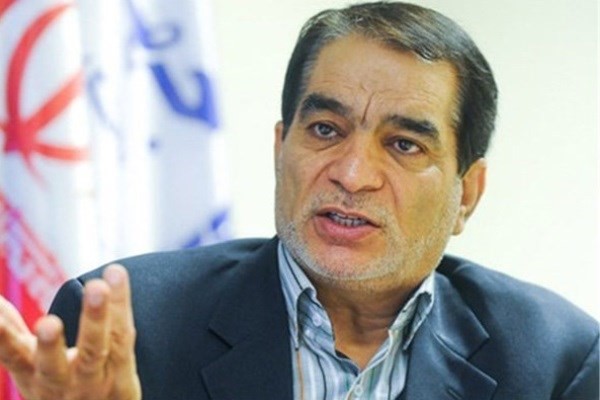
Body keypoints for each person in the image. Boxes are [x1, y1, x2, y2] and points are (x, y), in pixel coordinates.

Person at [0, 2, 598, 399]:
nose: (353, 174)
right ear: (280, 148)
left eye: (404, 144)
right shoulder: (131, 330)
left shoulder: (554, 360)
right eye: (325, 130)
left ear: (466, 195)